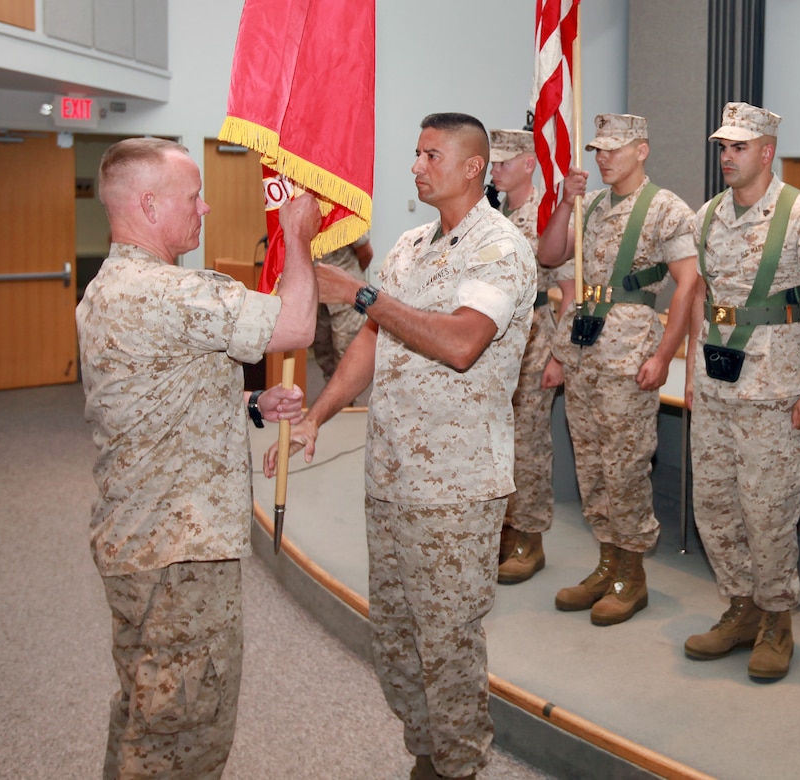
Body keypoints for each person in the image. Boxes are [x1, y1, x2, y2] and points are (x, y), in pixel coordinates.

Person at [265, 112, 535, 780]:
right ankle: (427, 756)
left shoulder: (498, 247)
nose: (415, 166)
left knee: (447, 645)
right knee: (395, 640)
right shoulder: (410, 245)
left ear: (473, 167)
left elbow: (462, 342)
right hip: (390, 474)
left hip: (456, 485)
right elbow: (371, 341)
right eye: (415, 153)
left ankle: (459, 764)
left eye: (431, 155)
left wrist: (362, 293)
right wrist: (322, 412)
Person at [76, 137, 319, 778]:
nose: (206, 207)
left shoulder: (109, 287)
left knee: (143, 709)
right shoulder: (167, 292)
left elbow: (156, 392)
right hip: (178, 555)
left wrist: (252, 404)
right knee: (181, 736)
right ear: (150, 205)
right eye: (193, 196)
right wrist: (296, 236)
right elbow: (295, 326)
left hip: (135, 539)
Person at [682, 102, 800, 680]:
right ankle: (741, 606)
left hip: (774, 393)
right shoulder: (706, 217)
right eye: (723, 147)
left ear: (767, 151)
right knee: (715, 505)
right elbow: (702, 297)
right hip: (716, 385)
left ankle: (777, 619)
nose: (727, 157)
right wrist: (690, 376)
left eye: (739, 147)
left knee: (767, 510)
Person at [536, 113, 699, 626]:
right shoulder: (593, 205)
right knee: (592, 465)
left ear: (642, 150)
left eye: (615, 149)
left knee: (626, 467)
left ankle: (633, 573)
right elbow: (551, 254)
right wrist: (567, 202)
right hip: (585, 350)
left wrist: (663, 356)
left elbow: (688, 284)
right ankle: (606, 563)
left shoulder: (665, 209)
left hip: (629, 354)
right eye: (599, 149)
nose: (603, 157)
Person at [488, 127, 573, 585]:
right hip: (497, 344)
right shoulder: (497, 213)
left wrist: (559, 355)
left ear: (527, 163)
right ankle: (502, 527)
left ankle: (529, 537)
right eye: (493, 163)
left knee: (529, 446)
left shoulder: (546, 215)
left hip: (536, 339)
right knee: (499, 443)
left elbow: (571, 290)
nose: (495, 170)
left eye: (503, 162)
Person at [311, 232, 374, 381]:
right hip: (319, 297)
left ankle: (347, 401)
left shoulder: (344, 213)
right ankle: (334, 396)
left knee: (346, 353)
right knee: (323, 351)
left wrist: (349, 282)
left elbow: (366, 254)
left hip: (345, 299)